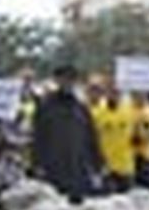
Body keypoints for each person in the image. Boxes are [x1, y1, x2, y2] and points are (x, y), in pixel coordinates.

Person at [31, 66, 102, 202]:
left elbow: (91, 137)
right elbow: (38, 137)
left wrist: (97, 164)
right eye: (64, 79)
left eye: (71, 79)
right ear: (57, 80)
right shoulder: (46, 106)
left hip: (78, 169)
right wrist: (37, 164)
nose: (67, 83)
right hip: (53, 169)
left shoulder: (81, 108)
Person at [91, 84, 137, 193]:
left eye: (116, 93)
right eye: (111, 93)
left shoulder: (129, 112)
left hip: (125, 164)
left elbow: (137, 134)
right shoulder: (97, 113)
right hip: (106, 164)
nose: (113, 96)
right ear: (106, 95)